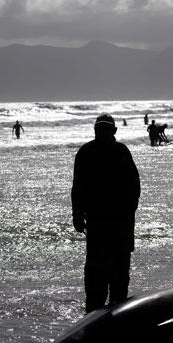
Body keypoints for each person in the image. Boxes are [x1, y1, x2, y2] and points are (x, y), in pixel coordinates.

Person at [71, 114, 140, 313]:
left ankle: (103, 311)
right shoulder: (95, 152)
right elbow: (78, 187)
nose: (102, 133)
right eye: (100, 129)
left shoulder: (108, 152)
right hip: (105, 221)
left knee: (111, 269)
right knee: (101, 269)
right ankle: (100, 311)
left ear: (113, 131)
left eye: (104, 129)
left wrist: (78, 214)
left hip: (112, 221)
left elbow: (134, 187)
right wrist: (77, 215)